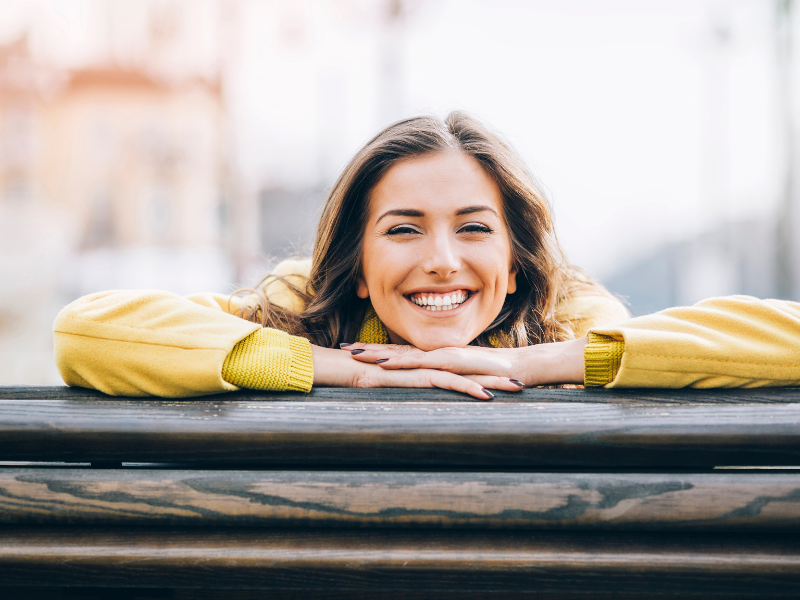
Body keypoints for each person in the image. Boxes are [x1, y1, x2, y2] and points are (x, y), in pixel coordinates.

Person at [53, 113, 800, 398]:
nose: (442, 259)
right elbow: (85, 330)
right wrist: (330, 366)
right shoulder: (301, 308)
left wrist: (535, 363)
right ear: (357, 259)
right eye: (404, 229)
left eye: (473, 229)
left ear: (514, 262)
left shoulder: (566, 317)